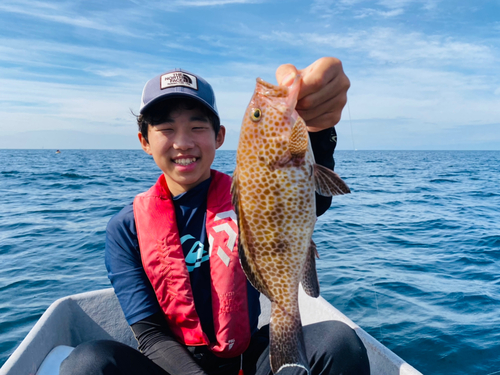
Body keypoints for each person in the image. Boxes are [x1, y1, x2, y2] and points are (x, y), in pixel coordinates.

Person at [60, 57, 370, 375]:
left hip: (245, 358)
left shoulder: (251, 195)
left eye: (197, 127)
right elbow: (150, 335)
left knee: (338, 342)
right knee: (86, 364)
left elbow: (306, 200)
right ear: (144, 142)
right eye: (166, 129)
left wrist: (318, 129)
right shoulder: (125, 228)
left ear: (219, 136)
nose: (183, 142)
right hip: (167, 366)